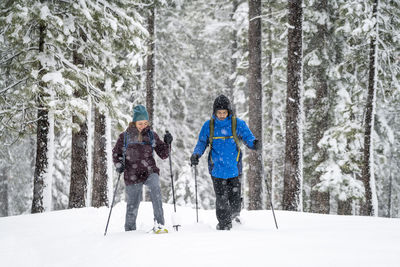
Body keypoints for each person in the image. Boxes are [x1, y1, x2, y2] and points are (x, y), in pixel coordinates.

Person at [191, 95, 259, 230]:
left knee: (234, 199)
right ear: (214, 112)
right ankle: (224, 224)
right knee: (221, 199)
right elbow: (202, 142)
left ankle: (235, 216)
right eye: (219, 112)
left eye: (224, 112)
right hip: (217, 169)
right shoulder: (209, 125)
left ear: (229, 112)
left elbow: (247, 137)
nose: (222, 115)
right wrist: (196, 154)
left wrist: (254, 144)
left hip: (234, 168)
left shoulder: (237, 124)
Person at [112, 105, 173, 233]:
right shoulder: (125, 137)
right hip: (132, 174)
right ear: (134, 122)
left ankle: (160, 224)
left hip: (149, 171)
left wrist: (167, 143)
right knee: (132, 204)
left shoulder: (151, 135)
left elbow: (163, 154)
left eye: (145, 123)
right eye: (140, 123)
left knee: (156, 191)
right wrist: (119, 165)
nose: (143, 126)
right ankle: (129, 230)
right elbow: (116, 154)